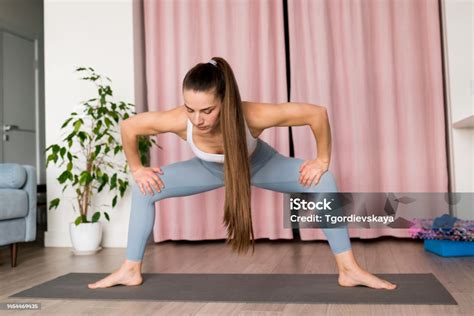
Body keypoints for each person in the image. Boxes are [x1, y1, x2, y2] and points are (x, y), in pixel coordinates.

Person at [88, 57, 397, 290]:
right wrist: (137, 169)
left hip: (259, 166)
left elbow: (315, 114)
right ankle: (130, 269)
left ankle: (348, 268)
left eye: (207, 110)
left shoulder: (252, 115)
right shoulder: (180, 119)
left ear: (225, 101)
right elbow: (129, 127)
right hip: (208, 171)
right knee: (145, 189)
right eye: (190, 109)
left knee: (325, 181)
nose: (197, 119)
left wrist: (322, 160)